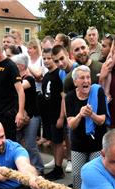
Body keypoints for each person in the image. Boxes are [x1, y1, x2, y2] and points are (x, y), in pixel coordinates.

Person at [66, 65, 107, 189]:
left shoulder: (98, 92)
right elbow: (71, 124)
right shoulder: (70, 97)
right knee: (77, 174)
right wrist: (80, 115)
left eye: (88, 77)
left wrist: (92, 115)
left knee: (95, 174)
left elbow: (102, 120)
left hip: (96, 142)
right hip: (78, 143)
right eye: (82, 78)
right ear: (75, 81)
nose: (86, 81)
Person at [40, 47, 66, 181]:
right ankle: (56, 165)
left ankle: (58, 168)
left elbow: (63, 97)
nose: (46, 61)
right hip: (48, 115)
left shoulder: (59, 74)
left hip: (57, 114)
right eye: (44, 58)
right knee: (54, 142)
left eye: (49, 58)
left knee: (59, 142)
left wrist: (62, 117)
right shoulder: (46, 75)